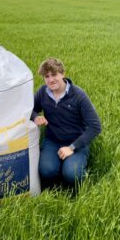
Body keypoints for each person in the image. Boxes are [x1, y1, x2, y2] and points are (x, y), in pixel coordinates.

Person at [31, 57, 101, 187]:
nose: (50, 79)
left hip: (76, 141)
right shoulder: (42, 92)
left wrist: (71, 147)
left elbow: (95, 126)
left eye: (54, 74)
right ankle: (55, 182)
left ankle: (74, 178)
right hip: (52, 140)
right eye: (46, 76)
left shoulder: (78, 95)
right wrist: (35, 116)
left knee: (71, 174)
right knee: (46, 171)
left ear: (63, 73)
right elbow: (30, 110)